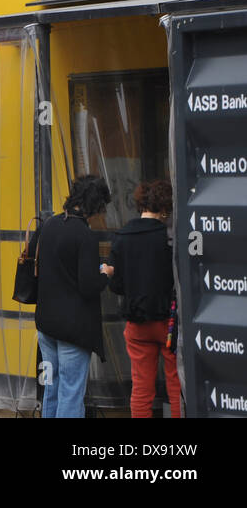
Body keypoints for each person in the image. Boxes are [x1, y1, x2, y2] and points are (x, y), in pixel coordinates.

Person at [35, 174, 111, 418]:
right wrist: (106, 274)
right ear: (95, 204)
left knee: (51, 389)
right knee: (71, 393)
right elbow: (88, 286)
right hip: (73, 329)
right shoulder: (84, 235)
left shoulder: (49, 225)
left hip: (46, 325)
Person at [105, 179, 181, 418]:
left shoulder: (122, 236)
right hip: (168, 322)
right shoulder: (170, 237)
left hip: (137, 322)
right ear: (166, 207)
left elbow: (116, 286)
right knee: (177, 388)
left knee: (141, 390)